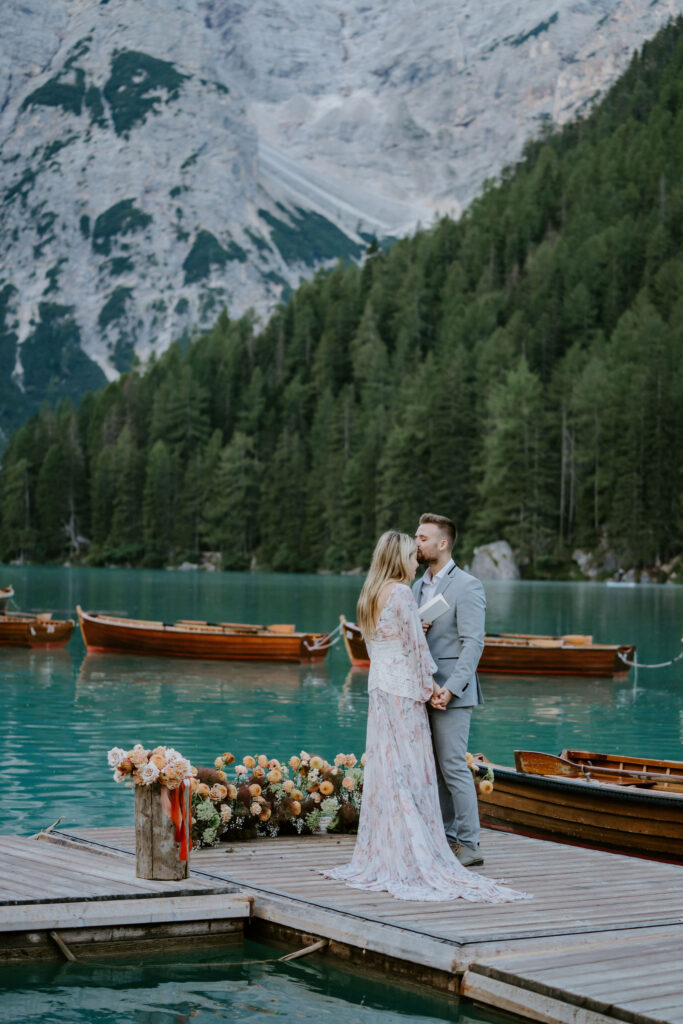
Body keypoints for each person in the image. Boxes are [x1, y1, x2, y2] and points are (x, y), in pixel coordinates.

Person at [323, 530, 529, 903]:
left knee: (396, 770)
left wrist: (443, 678)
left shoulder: (370, 593)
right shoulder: (405, 590)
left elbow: (395, 644)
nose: (415, 552)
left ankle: (438, 842)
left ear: (444, 542)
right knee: (414, 772)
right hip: (406, 694)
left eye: (422, 540)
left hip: (381, 692)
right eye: (411, 546)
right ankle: (432, 844)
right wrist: (430, 688)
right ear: (397, 556)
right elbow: (416, 652)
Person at [414, 513, 485, 867]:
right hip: (422, 690)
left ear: (443, 543)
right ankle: (445, 837)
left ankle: (470, 845)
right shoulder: (416, 586)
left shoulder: (467, 585)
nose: (417, 543)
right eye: (416, 537)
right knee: (434, 769)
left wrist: (451, 689)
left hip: (452, 694)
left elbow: (474, 644)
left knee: (454, 767)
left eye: (423, 537)